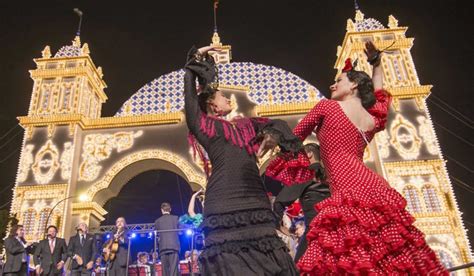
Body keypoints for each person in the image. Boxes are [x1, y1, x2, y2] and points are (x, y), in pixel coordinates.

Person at [265, 41, 448, 274]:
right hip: (375, 189)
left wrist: (270, 138)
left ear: (353, 86)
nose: (332, 84)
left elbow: (295, 136)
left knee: (346, 258)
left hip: (348, 193)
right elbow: (380, 99)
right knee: (384, 255)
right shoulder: (371, 120)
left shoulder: (327, 107)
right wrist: (377, 64)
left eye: (339, 80)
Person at [184, 45, 300, 275]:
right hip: (223, 200)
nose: (228, 98)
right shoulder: (204, 126)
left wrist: (270, 138)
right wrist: (197, 57)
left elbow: (277, 125)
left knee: (268, 254)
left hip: (254, 197)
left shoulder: (245, 125)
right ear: (211, 104)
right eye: (222, 96)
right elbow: (189, 93)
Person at [273, 143, 330, 262]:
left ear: (309, 154)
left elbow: (279, 203)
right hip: (336, 234)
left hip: (315, 236)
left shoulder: (304, 174)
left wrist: (279, 227)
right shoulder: (331, 175)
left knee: (301, 268)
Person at [154, 203, 179, 276]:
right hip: (173, 247)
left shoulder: (157, 221)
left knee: (164, 272)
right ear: (170, 209)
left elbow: (157, 235)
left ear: (162, 210)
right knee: (174, 271)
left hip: (163, 248)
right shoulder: (175, 218)